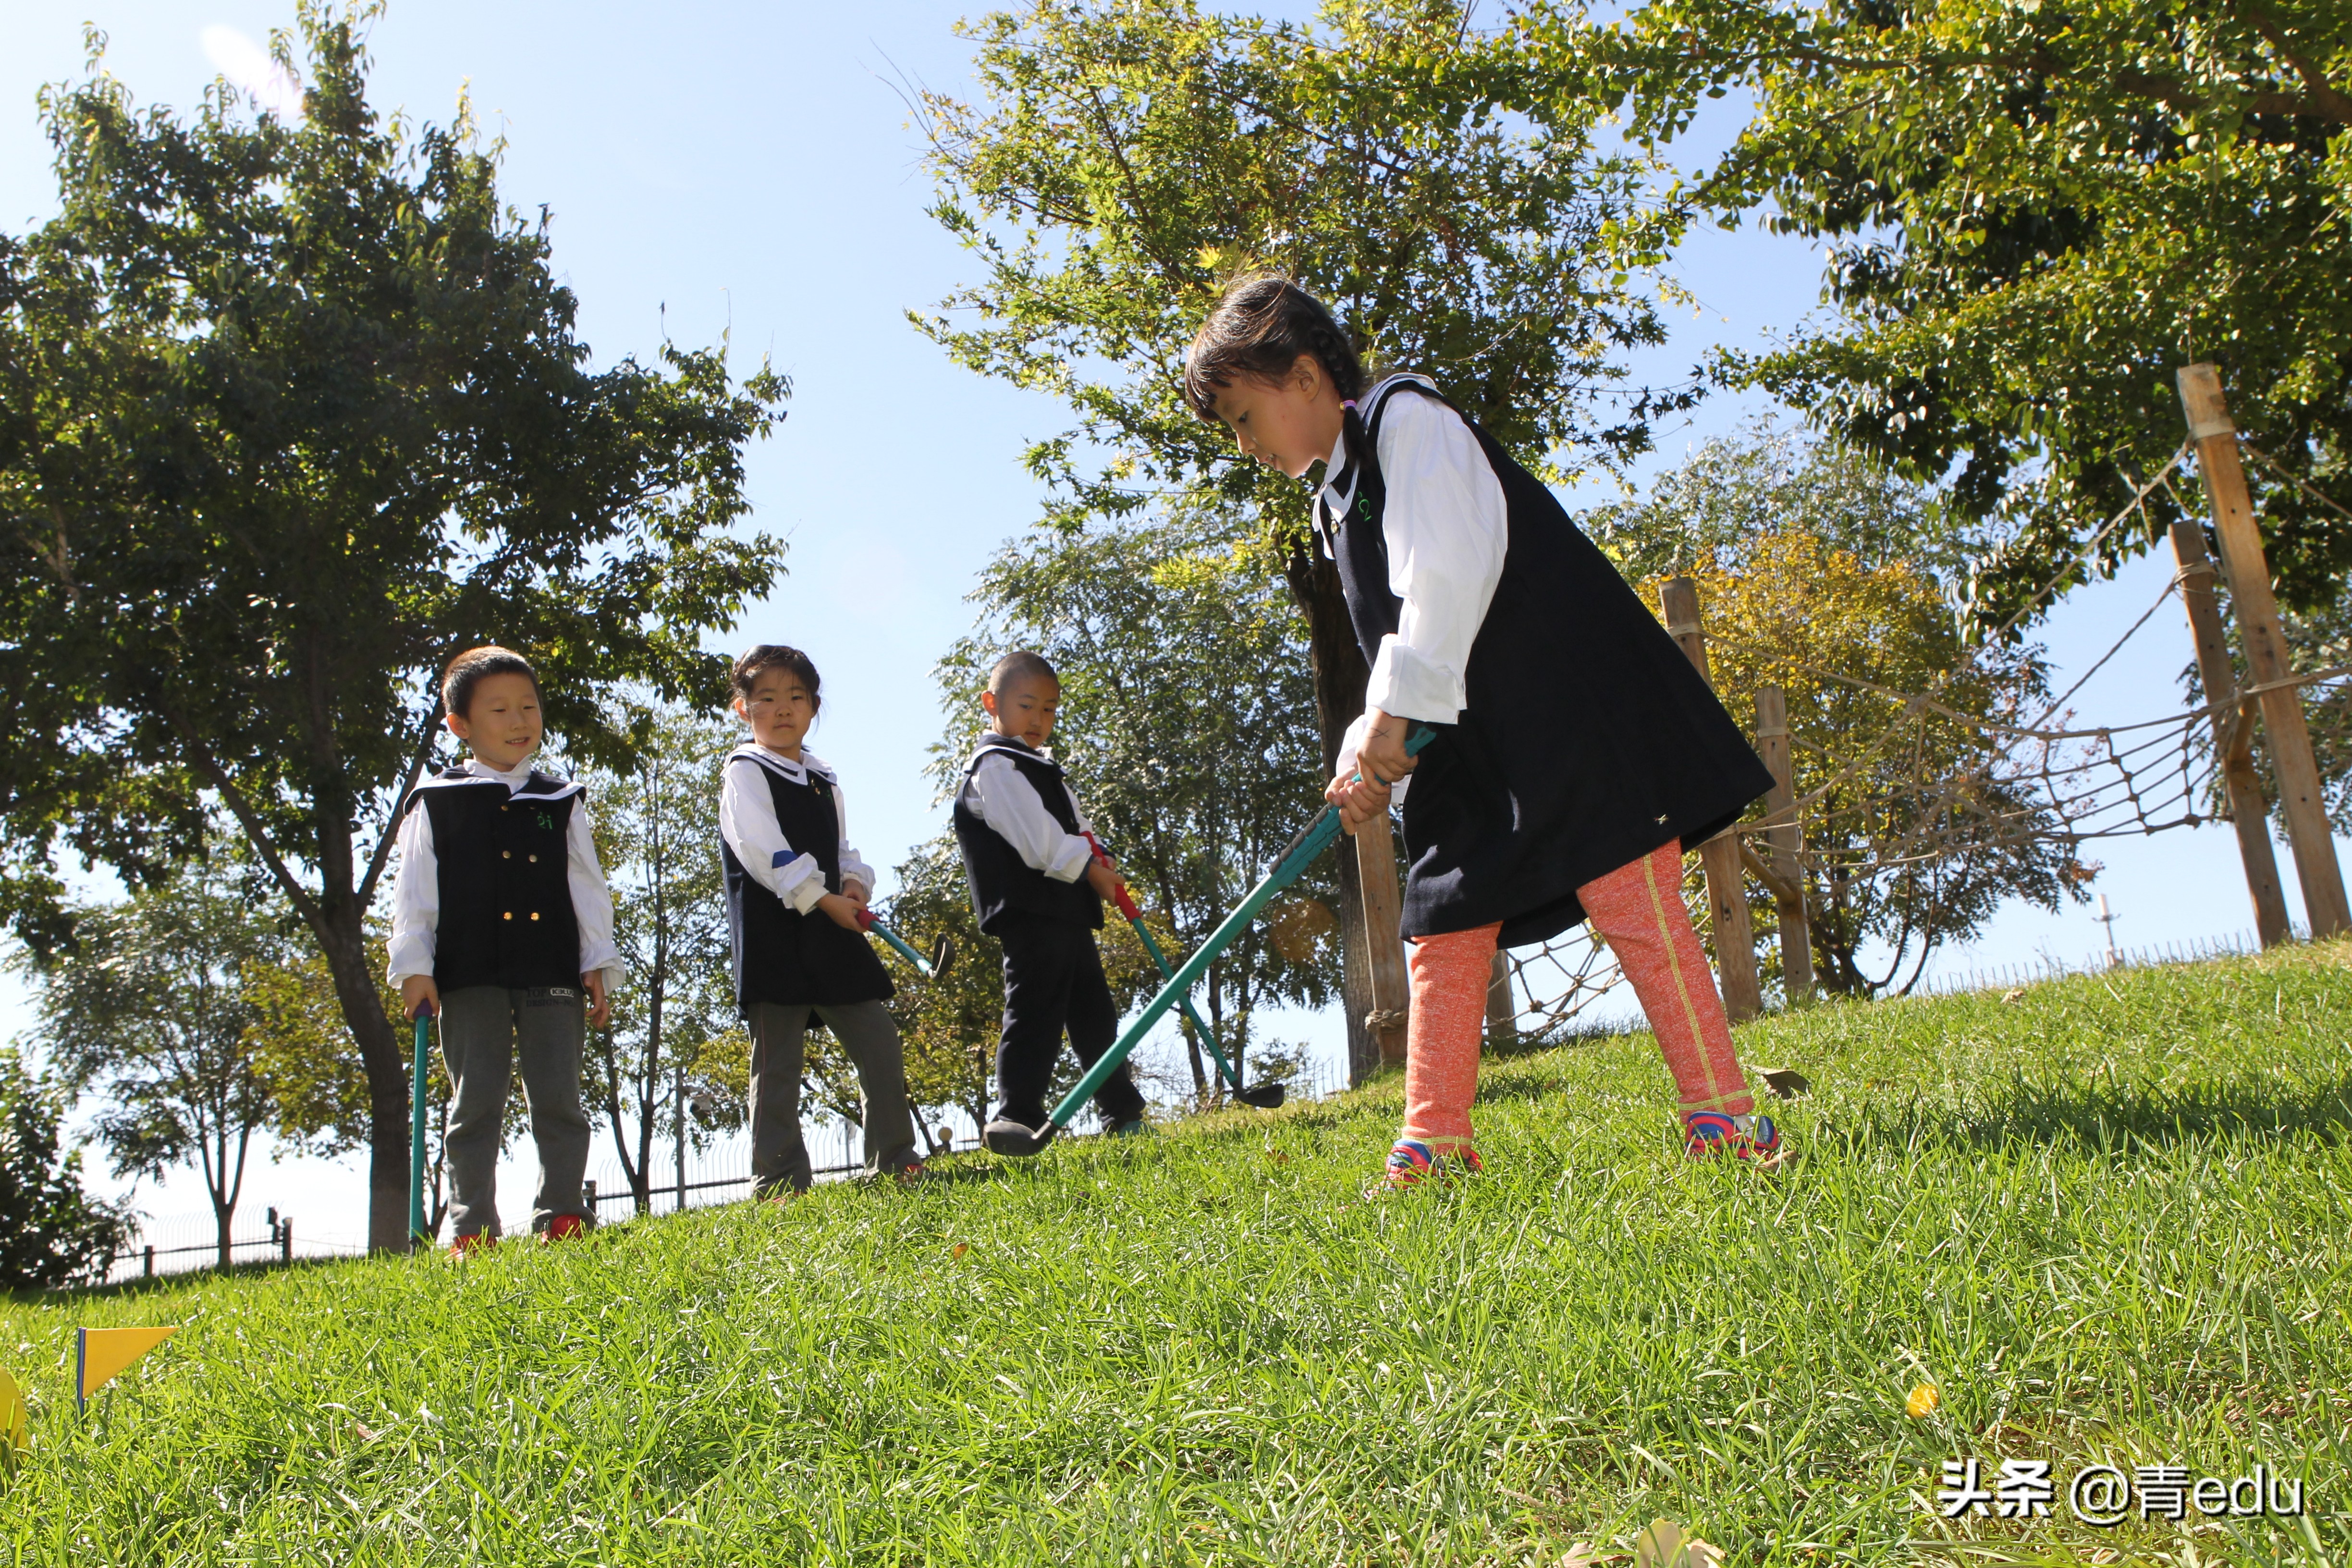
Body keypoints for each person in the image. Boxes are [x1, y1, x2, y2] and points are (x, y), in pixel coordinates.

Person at [1181, 275, 1788, 1188]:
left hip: (1557, 707)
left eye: (1240, 416)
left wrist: (1394, 713)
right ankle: (1434, 1140)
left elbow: (1448, 573)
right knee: (1443, 922)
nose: (1244, 444)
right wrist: (1364, 746)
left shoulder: (1407, 422)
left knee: (1631, 889)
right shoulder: (1334, 502)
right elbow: (1389, 643)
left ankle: (1723, 1115)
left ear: (1303, 377)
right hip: (1466, 742)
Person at [390, 646, 618, 1250]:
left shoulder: (561, 799)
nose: (520, 722)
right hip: (469, 975)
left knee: (560, 1098)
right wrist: (414, 968)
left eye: (529, 707)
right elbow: (415, 893)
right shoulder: (436, 801)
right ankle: (472, 1228)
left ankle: (563, 1213)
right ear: (459, 725)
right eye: (499, 710)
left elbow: (586, 886)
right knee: (476, 1103)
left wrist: (598, 960)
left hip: (552, 969)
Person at [719, 644, 924, 1196]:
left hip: (830, 933)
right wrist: (824, 897)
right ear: (744, 709)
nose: (783, 709)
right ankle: (781, 1182)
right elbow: (765, 851)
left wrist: (853, 884)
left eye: (796, 698)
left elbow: (840, 848)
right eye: (767, 698)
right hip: (774, 936)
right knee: (778, 1065)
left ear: (813, 708)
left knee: (879, 1040)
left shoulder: (824, 778)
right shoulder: (744, 771)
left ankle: (895, 1160)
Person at [953, 651, 1151, 1152]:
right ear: (991, 704)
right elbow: (1036, 839)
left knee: (1095, 1014)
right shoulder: (994, 766)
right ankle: (1017, 1114)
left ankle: (1121, 1112)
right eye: (1027, 706)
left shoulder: (1043, 768)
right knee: (1035, 1010)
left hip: (1066, 910)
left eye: (1050, 709)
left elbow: (1076, 827)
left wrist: (1099, 857)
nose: (1039, 720)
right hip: (1029, 911)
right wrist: (1088, 871)